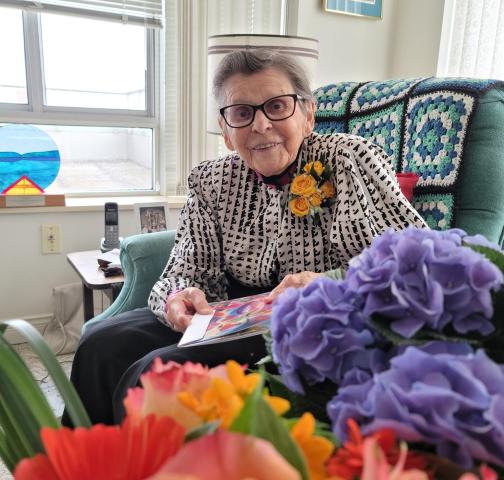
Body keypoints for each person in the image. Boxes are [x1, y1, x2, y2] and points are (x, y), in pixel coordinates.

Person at [66, 49, 426, 426]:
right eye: (242, 113)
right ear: (225, 131)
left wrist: (330, 284)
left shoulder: (350, 159)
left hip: (316, 325)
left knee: (154, 374)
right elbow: (184, 271)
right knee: (100, 344)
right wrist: (178, 297)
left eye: (277, 106)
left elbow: (416, 262)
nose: (261, 125)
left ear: (307, 116)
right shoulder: (210, 180)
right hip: (227, 315)